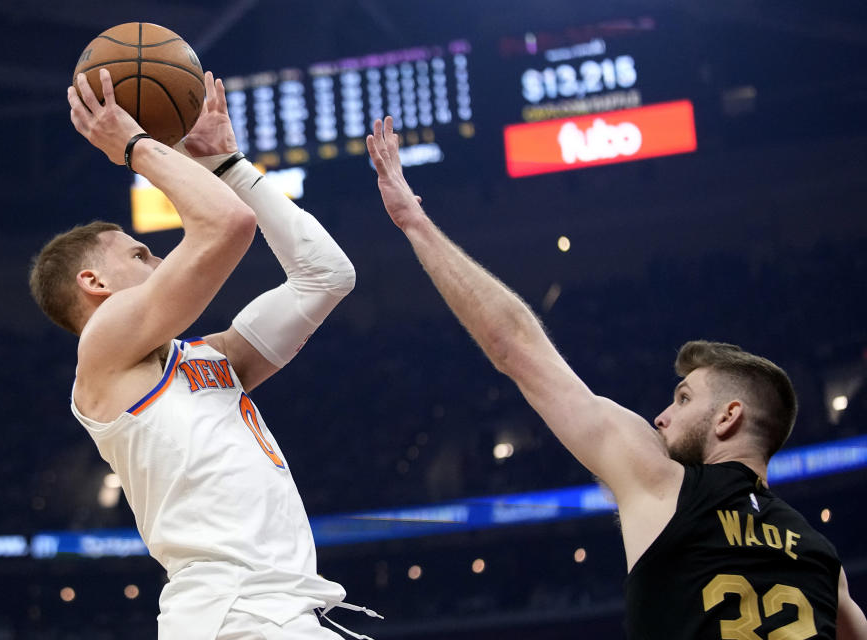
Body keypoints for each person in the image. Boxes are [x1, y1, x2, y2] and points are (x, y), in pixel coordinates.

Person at [366, 116, 867, 639]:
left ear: (728, 416)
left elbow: (516, 346)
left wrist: (414, 223)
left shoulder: (661, 480)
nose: (662, 415)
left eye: (684, 397)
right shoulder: (821, 558)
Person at [28, 68, 379, 640]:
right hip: (236, 617)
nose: (161, 260)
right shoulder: (104, 351)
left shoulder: (207, 359)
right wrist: (135, 146)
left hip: (270, 615)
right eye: (141, 254)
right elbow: (226, 224)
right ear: (93, 282)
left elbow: (326, 277)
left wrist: (231, 167)